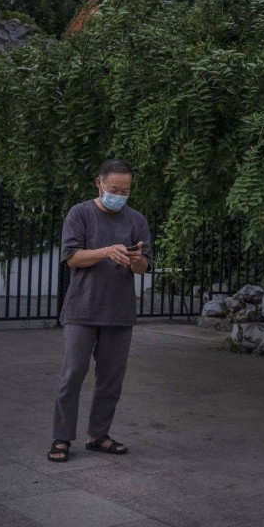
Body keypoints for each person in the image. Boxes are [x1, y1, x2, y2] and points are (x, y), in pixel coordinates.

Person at [48, 159, 152, 462]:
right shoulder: (80, 214)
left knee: (111, 378)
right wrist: (107, 251)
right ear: (99, 183)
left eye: (126, 190)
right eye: (114, 189)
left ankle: (98, 435)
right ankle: (62, 437)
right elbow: (72, 258)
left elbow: (144, 265)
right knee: (73, 373)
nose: (119, 194)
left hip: (119, 312)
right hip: (83, 308)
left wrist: (135, 261)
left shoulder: (136, 220)